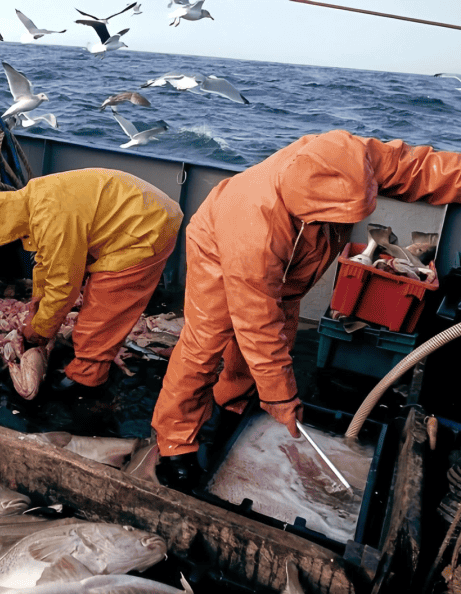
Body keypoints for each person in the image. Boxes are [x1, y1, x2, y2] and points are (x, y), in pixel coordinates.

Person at [151, 130, 461, 490]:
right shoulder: (254, 228)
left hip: (291, 268)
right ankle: (175, 440)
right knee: (205, 342)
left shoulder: (355, 157)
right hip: (221, 247)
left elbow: (422, 169)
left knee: (278, 332)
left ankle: (232, 404)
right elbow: (257, 322)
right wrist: (281, 396)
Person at [0, 169, 183, 393]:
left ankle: (86, 382)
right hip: (134, 211)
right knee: (85, 296)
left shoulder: (53, 219)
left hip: (145, 226)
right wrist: (37, 305)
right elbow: (48, 264)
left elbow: (63, 287)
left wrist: (40, 331)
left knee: (102, 312)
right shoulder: (34, 198)